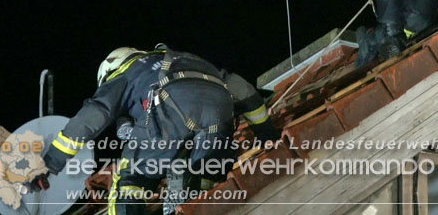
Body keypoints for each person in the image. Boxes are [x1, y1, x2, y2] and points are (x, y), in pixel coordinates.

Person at [29, 45, 278, 214]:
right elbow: (242, 89)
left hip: (170, 112)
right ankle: (190, 186)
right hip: (220, 116)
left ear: (111, 69)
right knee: (204, 177)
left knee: (130, 180)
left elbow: (91, 117)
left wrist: (51, 162)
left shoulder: (125, 74)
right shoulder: (185, 58)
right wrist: (268, 135)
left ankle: (179, 177)